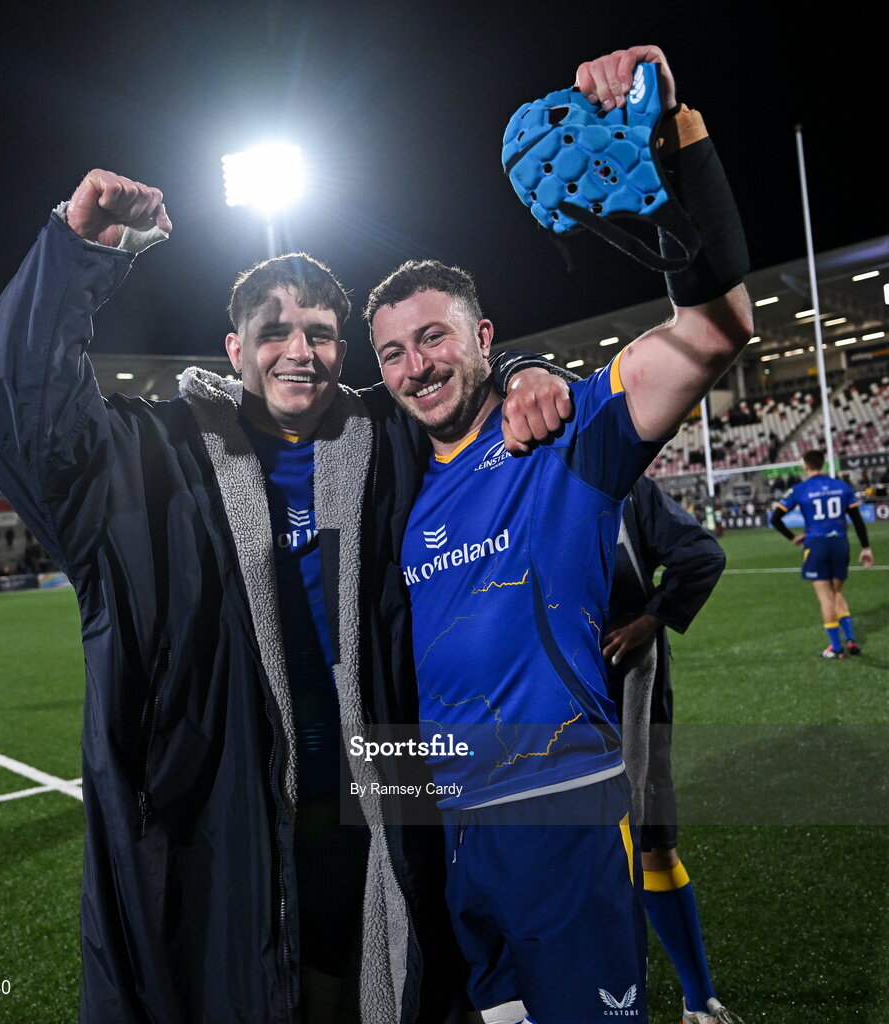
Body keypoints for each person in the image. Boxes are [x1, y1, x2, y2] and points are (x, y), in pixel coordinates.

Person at [0, 167, 570, 1023]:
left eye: (320, 333)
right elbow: (10, 414)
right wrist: (77, 248)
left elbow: (448, 378)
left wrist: (523, 368)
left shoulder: (385, 441)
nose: (299, 350)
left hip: (380, 809)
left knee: (380, 989)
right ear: (234, 350)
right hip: (218, 821)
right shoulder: (149, 458)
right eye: (273, 331)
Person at [365, 43, 752, 1024]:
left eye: (435, 337)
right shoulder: (401, 485)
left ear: (483, 336)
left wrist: (676, 132)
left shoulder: (564, 430)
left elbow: (713, 331)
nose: (416, 367)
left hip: (560, 815)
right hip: (455, 835)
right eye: (394, 353)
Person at [599, 472, 742, 1024]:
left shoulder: (623, 484)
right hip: (543, 696)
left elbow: (702, 554)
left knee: (653, 843)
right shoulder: (492, 482)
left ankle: (697, 1000)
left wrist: (649, 620)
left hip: (629, 687)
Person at [770, 449, 874, 658]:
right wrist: (866, 547)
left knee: (825, 598)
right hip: (840, 544)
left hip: (816, 545)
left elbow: (775, 518)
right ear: (823, 463)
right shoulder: (842, 487)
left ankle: (836, 648)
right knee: (837, 593)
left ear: (805, 465)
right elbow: (858, 520)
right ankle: (851, 640)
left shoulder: (799, 489)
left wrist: (792, 537)